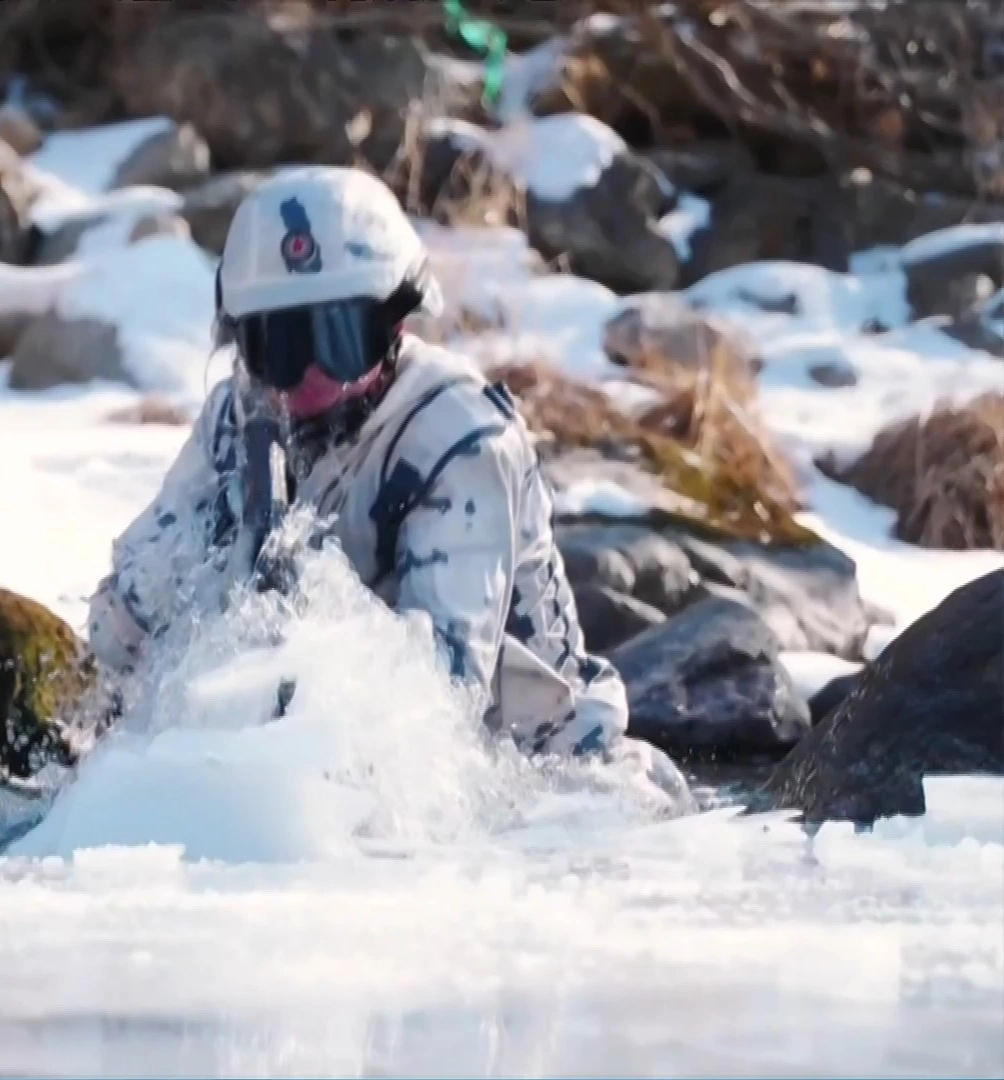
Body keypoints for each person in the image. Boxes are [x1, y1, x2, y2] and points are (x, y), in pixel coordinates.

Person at [87, 166, 686, 789]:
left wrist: (310, 577)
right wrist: (211, 542)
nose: (314, 375)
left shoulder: (461, 438)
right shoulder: (234, 421)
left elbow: (439, 708)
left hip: (547, 785)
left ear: (396, 324)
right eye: (283, 347)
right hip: (315, 773)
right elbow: (112, 634)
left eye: (341, 340)